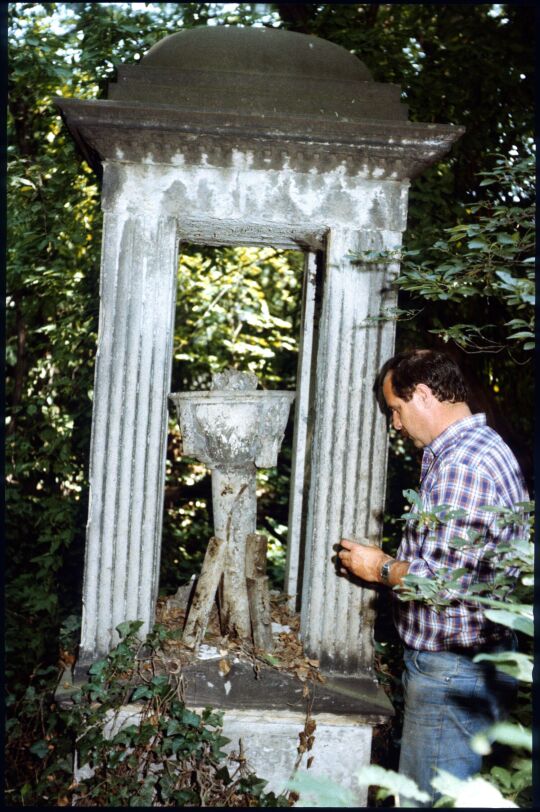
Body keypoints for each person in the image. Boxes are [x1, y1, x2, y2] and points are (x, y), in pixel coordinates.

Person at [338, 349, 528, 807]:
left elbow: (442, 584)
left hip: (452, 672)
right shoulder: (482, 447)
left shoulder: (462, 465)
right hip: (473, 663)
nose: (396, 425)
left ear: (422, 395)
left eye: (396, 410)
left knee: (426, 801)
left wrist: (379, 567)